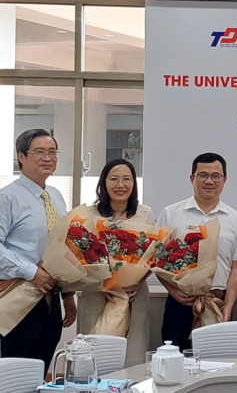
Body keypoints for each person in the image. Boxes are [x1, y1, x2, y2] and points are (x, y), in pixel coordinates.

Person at [156, 152, 237, 351]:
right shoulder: (171, 214)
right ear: (192, 178)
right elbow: (157, 259)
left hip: (217, 302)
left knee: (216, 361)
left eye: (216, 176)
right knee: (175, 359)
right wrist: (173, 291)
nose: (209, 181)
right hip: (180, 302)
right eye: (203, 175)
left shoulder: (235, 219)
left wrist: (228, 305)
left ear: (225, 180)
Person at [0, 129, 76, 375]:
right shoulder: (7, 198)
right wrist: (31, 272)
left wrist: (68, 294)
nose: (47, 158)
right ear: (21, 156)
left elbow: (62, 247)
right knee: (15, 372)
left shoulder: (55, 196)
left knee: (41, 369)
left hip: (50, 299)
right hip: (18, 296)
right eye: (39, 152)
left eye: (52, 152)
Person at [77, 159, 155, 367]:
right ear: (103, 183)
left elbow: (152, 255)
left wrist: (138, 281)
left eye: (126, 179)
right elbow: (79, 256)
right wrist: (103, 283)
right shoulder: (88, 214)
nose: (120, 185)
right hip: (97, 294)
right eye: (114, 179)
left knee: (134, 354)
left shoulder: (145, 213)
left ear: (134, 183)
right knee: (94, 356)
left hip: (134, 295)